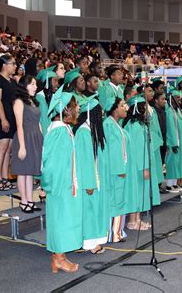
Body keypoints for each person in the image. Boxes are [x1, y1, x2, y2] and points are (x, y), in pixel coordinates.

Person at [41, 87, 82, 273]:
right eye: (75, 105)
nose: (78, 108)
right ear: (65, 109)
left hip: (65, 184)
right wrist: (50, 187)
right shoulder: (58, 132)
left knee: (64, 220)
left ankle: (60, 257)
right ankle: (58, 258)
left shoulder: (64, 129)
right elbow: (50, 164)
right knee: (60, 220)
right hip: (59, 186)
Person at [73, 95, 108, 254]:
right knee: (88, 211)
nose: (102, 114)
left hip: (92, 178)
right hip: (87, 181)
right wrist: (89, 184)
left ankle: (92, 241)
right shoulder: (83, 132)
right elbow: (85, 161)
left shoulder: (89, 130)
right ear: (91, 113)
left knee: (91, 211)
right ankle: (89, 244)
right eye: (99, 111)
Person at [123, 95, 161, 230]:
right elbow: (139, 149)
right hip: (138, 166)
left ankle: (137, 219)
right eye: (142, 108)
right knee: (137, 192)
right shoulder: (135, 126)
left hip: (139, 164)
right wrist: (144, 168)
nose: (144, 110)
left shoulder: (137, 124)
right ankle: (133, 221)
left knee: (140, 192)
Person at [101, 96, 133, 242]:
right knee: (115, 201)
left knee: (119, 200)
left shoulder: (116, 125)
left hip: (120, 170)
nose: (125, 108)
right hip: (115, 171)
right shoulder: (108, 125)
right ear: (114, 109)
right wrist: (120, 169)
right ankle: (114, 233)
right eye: (122, 105)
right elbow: (113, 151)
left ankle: (117, 231)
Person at [11, 75, 43, 213]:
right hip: (24, 138)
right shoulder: (19, 102)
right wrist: (22, 146)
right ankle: (23, 201)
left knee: (30, 172)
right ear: (24, 86)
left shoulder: (34, 102)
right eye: (32, 84)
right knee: (22, 172)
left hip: (35, 137)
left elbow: (39, 122)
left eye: (35, 84)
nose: (35, 87)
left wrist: (41, 139)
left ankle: (30, 199)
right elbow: (19, 125)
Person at [0, 55, 17, 191]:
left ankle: (5, 178)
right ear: (5, 65)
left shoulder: (12, 81)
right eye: (13, 64)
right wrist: (3, 119)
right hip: (1, 117)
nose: (15, 66)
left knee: (8, 149)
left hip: (11, 117)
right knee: (2, 147)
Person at [165, 89, 182, 192]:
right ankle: (169, 185)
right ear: (171, 99)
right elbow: (170, 129)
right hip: (173, 142)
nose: (179, 101)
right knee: (173, 163)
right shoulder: (169, 111)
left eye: (180, 99)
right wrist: (173, 143)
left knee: (179, 163)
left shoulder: (179, 111)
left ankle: (175, 184)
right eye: (177, 98)